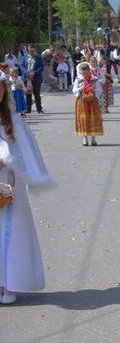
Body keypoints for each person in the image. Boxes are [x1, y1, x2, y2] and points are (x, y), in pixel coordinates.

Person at [0, 74, 56, 304]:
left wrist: (9, 161)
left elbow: (26, 152)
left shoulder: (14, 120)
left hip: (9, 184)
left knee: (10, 234)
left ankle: (10, 283)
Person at [72, 62, 103, 147]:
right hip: (82, 101)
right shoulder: (78, 79)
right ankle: (84, 139)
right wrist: (79, 89)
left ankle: (93, 139)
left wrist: (94, 90)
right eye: (83, 73)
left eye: (86, 73)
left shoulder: (94, 79)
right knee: (83, 119)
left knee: (93, 119)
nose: (85, 75)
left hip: (92, 101)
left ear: (89, 71)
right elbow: (74, 89)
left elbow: (99, 90)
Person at [25, 44, 43, 114]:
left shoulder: (39, 58)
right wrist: (27, 73)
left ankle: (39, 109)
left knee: (37, 94)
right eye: (30, 51)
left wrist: (33, 73)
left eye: (32, 51)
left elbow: (41, 67)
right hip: (27, 78)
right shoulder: (24, 57)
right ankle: (28, 109)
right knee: (28, 94)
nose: (31, 52)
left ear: (35, 50)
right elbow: (22, 66)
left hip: (36, 78)